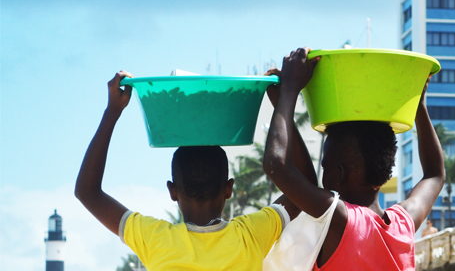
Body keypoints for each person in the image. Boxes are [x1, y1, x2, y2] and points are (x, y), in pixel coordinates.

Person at [75, 70, 314, 270]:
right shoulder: (250, 235)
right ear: (229, 188)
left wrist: (112, 113)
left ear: (172, 191)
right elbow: (306, 188)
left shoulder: (155, 238)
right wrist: (280, 103)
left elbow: (87, 192)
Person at [263, 47, 445, 270]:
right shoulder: (402, 224)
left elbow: (277, 167)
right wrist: (419, 105)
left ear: (339, 174)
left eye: (324, 166)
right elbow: (435, 174)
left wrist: (289, 91)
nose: (320, 174)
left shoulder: (341, 219)